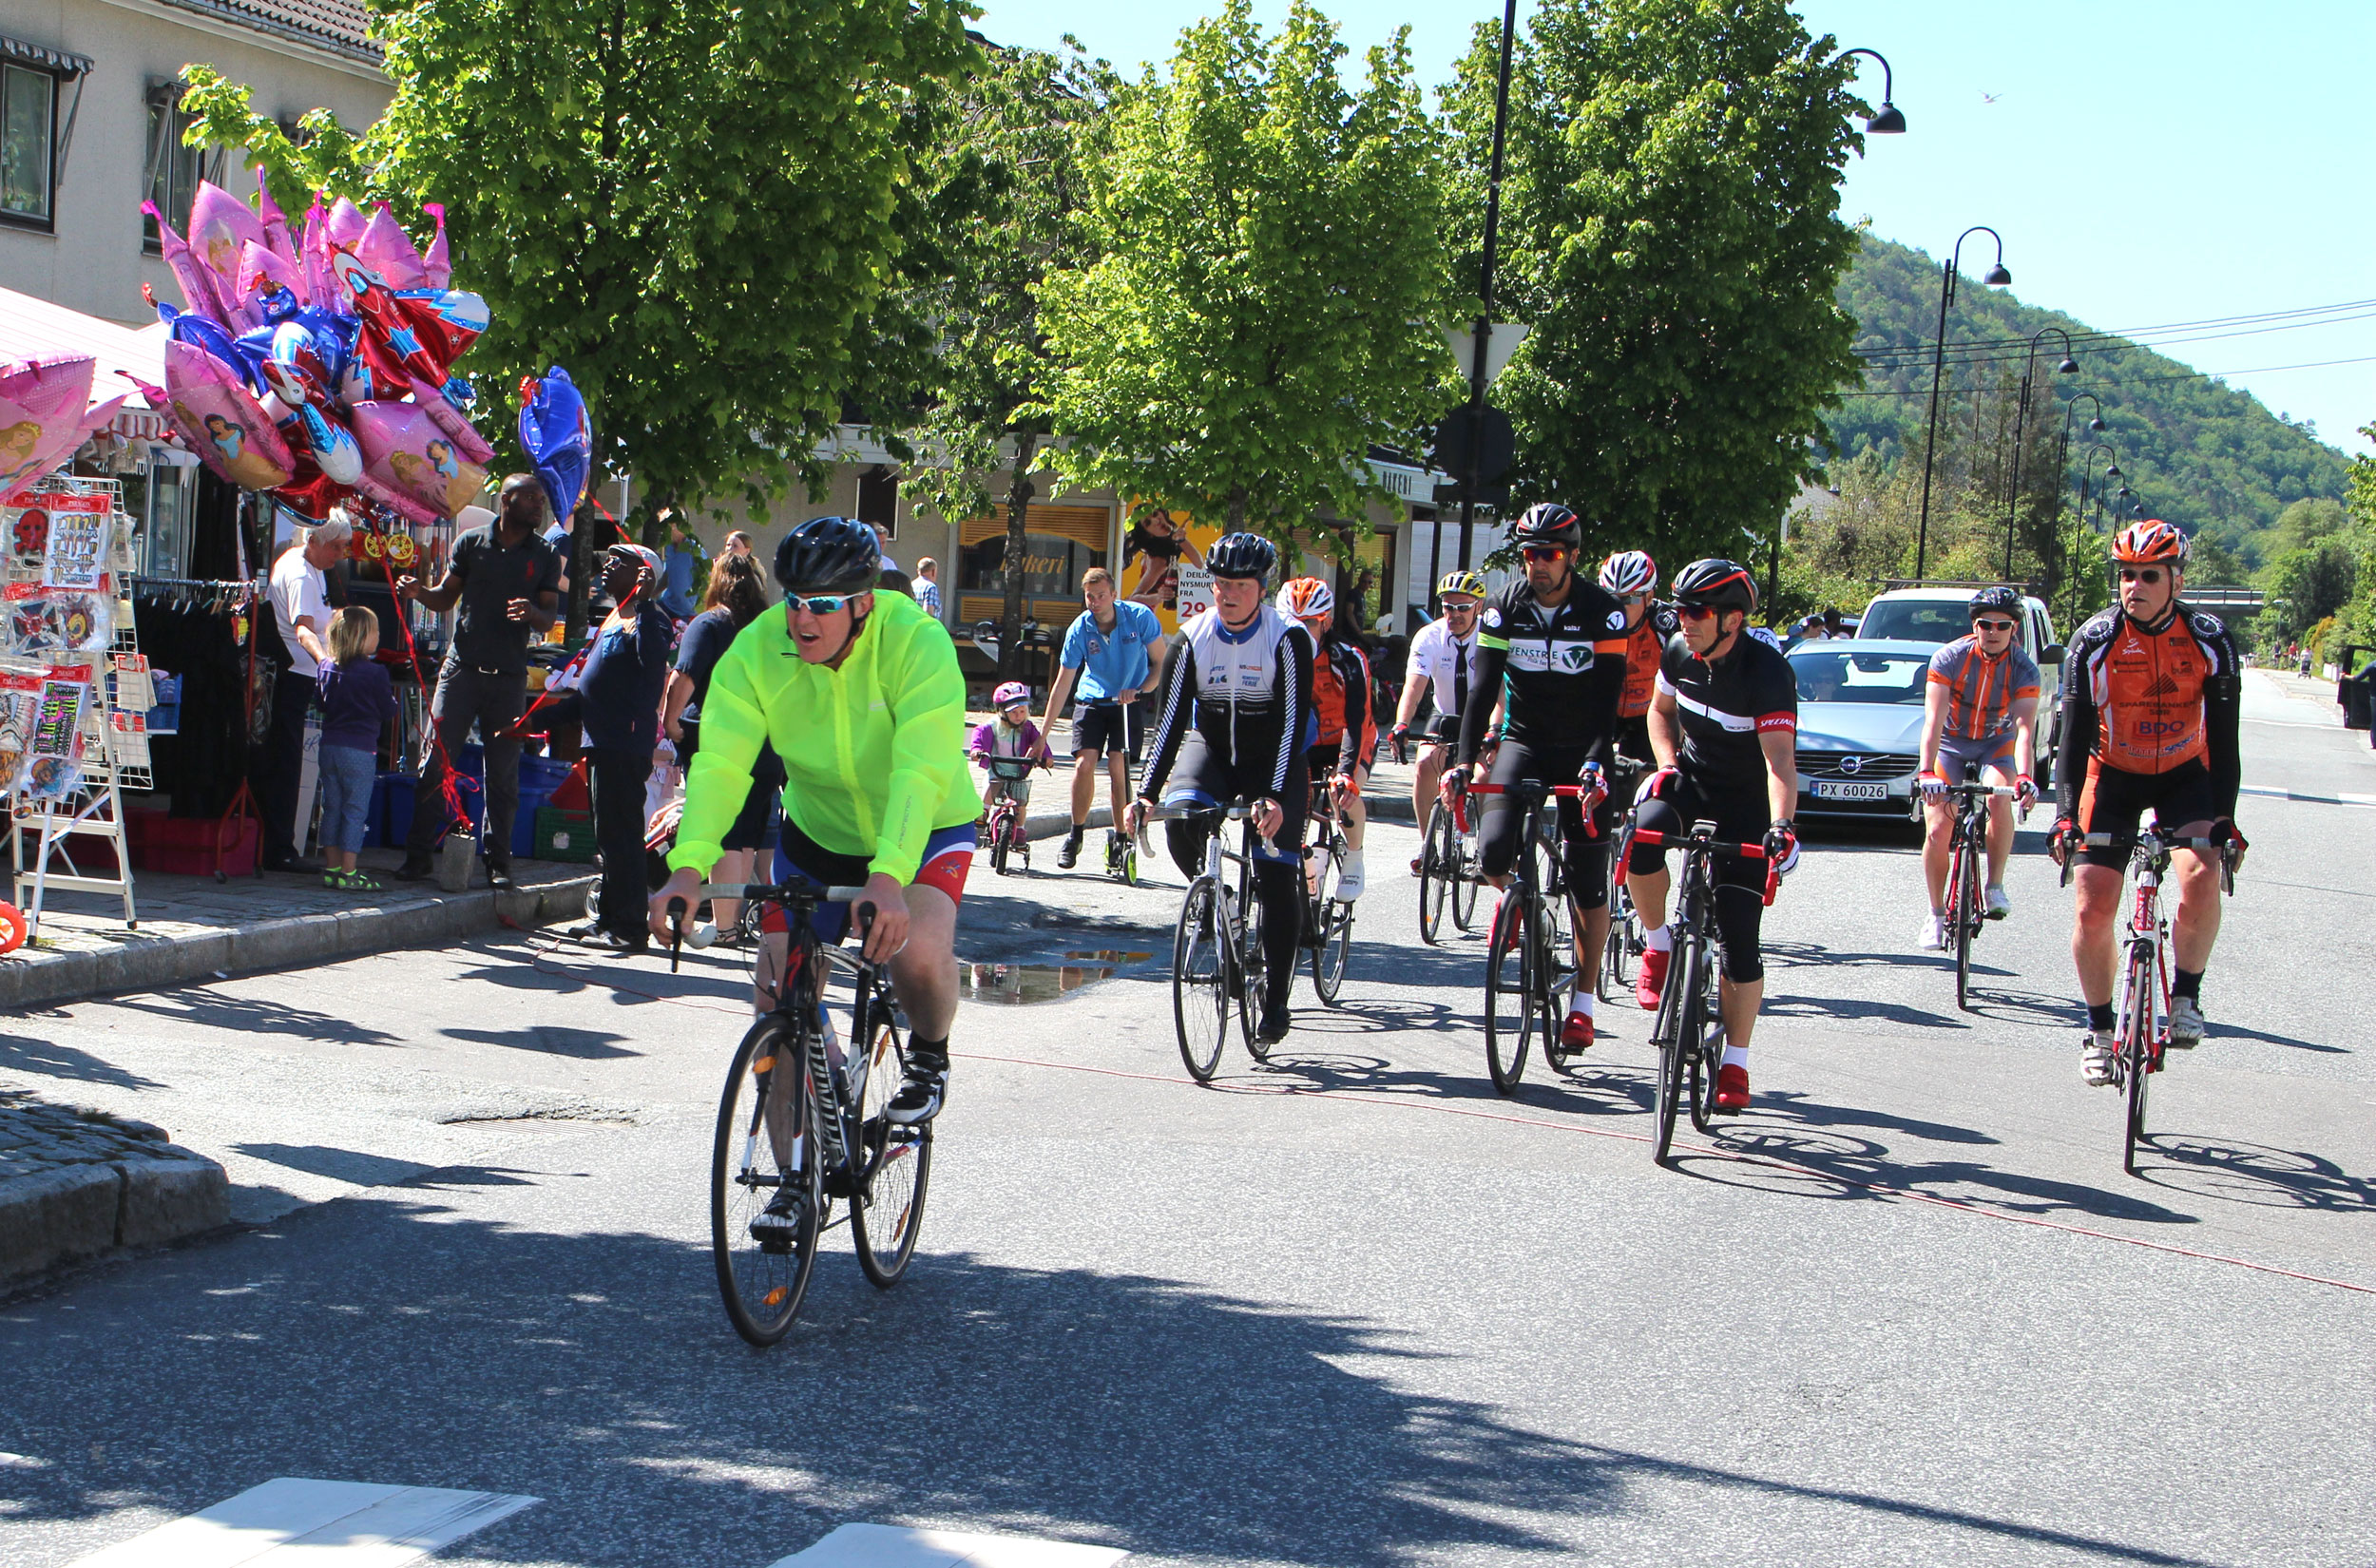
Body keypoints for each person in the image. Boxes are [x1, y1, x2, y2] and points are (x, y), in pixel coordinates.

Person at [648, 516, 975, 1149]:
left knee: (918, 949)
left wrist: (887, 879)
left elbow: (919, 770)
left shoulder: (916, 642)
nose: (803, 619)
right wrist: (687, 868)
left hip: (924, 825)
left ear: (863, 603)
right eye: (795, 600)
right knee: (776, 997)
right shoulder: (758, 649)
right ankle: (793, 1176)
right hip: (817, 836)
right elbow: (720, 764)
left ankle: (930, 1053)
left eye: (823, 606)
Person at [2051, 520, 2244, 1085]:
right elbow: (2071, 738)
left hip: (2186, 773)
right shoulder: (2094, 639)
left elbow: (2227, 742)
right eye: (2126, 575)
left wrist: (2226, 818)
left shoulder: (2210, 638)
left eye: (2148, 575)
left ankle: (2185, 996)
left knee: (2202, 873)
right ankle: (2100, 1030)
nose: (2133, 585)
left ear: (2175, 582)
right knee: (2092, 904)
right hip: (2111, 773)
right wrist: (2065, 814)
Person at [1457, 504, 1632, 1054]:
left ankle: (1581, 1002)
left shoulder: (1603, 612)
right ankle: (1516, 904)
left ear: (1573, 558)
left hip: (1584, 748)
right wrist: (1463, 761)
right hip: (1525, 742)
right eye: (1530, 554)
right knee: (1489, 855)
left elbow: (1610, 705)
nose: (1538, 564)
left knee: (1587, 878)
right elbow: (1481, 691)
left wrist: (1598, 761)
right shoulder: (1504, 607)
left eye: (1550, 554)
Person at [1627, 559, 1801, 1113]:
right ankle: (1657, 946)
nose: (1685, 621)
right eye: (1679, 610)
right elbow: (1659, 713)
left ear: (1733, 620)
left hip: (1748, 806)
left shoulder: (1767, 674)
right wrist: (1666, 764)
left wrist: (1782, 827)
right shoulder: (1679, 651)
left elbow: (1779, 764)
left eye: (1697, 612)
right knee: (1641, 839)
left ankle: (1736, 1063)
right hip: (1693, 783)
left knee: (1740, 939)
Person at [1126, 532, 1313, 1044]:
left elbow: (1294, 722)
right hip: (1213, 750)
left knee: (1276, 876)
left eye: (1239, 585)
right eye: (1220, 583)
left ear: (1261, 588)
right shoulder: (1192, 637)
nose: (1226, 594)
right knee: (1181, 819)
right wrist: (1145, 793)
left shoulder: (1286, 637)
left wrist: (1273, 796)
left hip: (1273, 759)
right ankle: (1219, 900)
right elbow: (1166, 722)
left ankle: (1275, 998)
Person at [393, 477, 561, 889]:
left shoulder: (545, 554)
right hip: (461, 670)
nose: (539, 506)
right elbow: (445, 597)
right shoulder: (470, 543)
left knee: (503, 774)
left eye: (542, 500)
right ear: (506, 500)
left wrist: (533, 617)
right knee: (436, 762)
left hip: (508, 678)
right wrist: (418, 592)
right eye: (531, 499)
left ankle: (498, 863)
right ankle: (418, 857)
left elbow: (550, 616)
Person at [662, 552, 781, 946]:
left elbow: (685, 674)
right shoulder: (767, 630)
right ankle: (737, 921)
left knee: (724, 831)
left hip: (720, 737)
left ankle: (726, 926)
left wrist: (670, 720)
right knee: (749, 832)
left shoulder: (709, 623)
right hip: (767, 743)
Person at [1914, 586, 2041, 948]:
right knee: (1938, 828)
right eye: (1985, 624)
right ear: (1975, 625)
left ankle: (1995, 885)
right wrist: (1926, 772)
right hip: (1951, 744)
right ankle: (1936, 913)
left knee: (2001, 798)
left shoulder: (2024, 668)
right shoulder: (1949, 657)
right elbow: (1933, 720)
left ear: (2014, 628)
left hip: (1996, 745)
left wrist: (2027, 777)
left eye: (2002, 625)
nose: (1993, 631)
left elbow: (2025, 730)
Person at [566, 543, 676, 953]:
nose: (608, 567)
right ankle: (609, 919)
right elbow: (592, 690)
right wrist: (537, 722)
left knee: (623, 836)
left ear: (644, 574)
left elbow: (651, 673)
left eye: (619, 562)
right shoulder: (617, 616)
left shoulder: (652, 621)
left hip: (624, 744)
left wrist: (646, 606)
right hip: (602, 743)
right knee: (607, 837)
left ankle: (630, 928)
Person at [1041, 567, 1166, 870]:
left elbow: (1160, 662)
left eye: (1101, 595)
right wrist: (1041, 736)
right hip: (1093, 699)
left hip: (1128, 700)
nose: (1095, 602)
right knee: (1084, 764)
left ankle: (1121, 837)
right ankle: (1075, 834)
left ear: (1113, 594)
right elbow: (1063, 684)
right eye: (1089, 597)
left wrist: (1139, 690)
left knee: (1117, 766)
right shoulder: (1080, 628)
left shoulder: (1139, 617)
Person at [261, 511, 353, 873]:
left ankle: (284, 842)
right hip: (295, 673)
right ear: (312, 541)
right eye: (335, 547)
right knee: (287, 759)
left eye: (343, 547)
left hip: (300, 670)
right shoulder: (300, 572)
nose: (340, 554)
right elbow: (303, 629)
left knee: (289, 757)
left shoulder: (308, 565)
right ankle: (281, 847)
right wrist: (325, 663)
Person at [1279, 577, 1375, 899]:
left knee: (1342, 793)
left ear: (1327, 622)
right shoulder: (1275, 655)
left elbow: (1356, 719)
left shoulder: (1347, 658)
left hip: (1347, 738)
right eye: (1294, 623)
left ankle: (1354, 857)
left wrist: (1347, 773)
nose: (1301, 631)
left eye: (1310, 623)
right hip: (1304, 743)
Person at [1391, 570, 1485, 870]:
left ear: (1478, 607)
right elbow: (1414, 685)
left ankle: (1485, 848)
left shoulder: (1490, 636)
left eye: (1463, 608)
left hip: (1481, 717)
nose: (1454, 615)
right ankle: (1427, 844)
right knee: (1423, 765)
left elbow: (1501, 690)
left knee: (1483, 778)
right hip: (1444, 712)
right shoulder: (1429, 636)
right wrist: (1401, 724)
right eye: (1448, 607)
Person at [315, 605, 396, 891]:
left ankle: (331, 868)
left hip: (329, 746)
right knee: (355, 809)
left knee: (332, 806)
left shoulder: (325, 666)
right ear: (363, 637)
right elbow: (388, 710)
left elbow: (321, 705)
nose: (378, 636)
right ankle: (350, 872)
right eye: (374, 631)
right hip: (360, 748)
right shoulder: (375, 673)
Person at [1600, 550, 1671, 771]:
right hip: (1606, 710)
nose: (1617, 607)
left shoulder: (1666, 625)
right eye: (1611, 598)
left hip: (1647, 715)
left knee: (1646, 774)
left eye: (1628, 599)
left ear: (1649, 597)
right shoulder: (1595, 618)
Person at [970, 681, 1046, 852]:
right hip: (997, 769)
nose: (1019, 716)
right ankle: (984, 811)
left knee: (1020, 804)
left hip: (1019, 772)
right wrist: (977, 750)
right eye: (1013, 712)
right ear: (1002, 711)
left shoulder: (1027, 728)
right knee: (990, 787)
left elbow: (1039, 741)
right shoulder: (993, 726)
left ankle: (1020, 830)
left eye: (1022, 711)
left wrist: (1046, 757)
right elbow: (979, 734)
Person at [657, 511, 704, 621]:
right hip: (667, 606)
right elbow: (668, 573)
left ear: (675, 525)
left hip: (688, 614)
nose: (661, 531)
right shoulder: (669, 547)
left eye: (664, 526)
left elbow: (707, 578)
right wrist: (652, 594)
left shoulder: (694, 550)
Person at [913, 556, 942, 620]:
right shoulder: (930, 587)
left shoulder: (911, 585)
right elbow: (928, 613)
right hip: (926, 626)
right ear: (933, 571)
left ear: (918, 571)